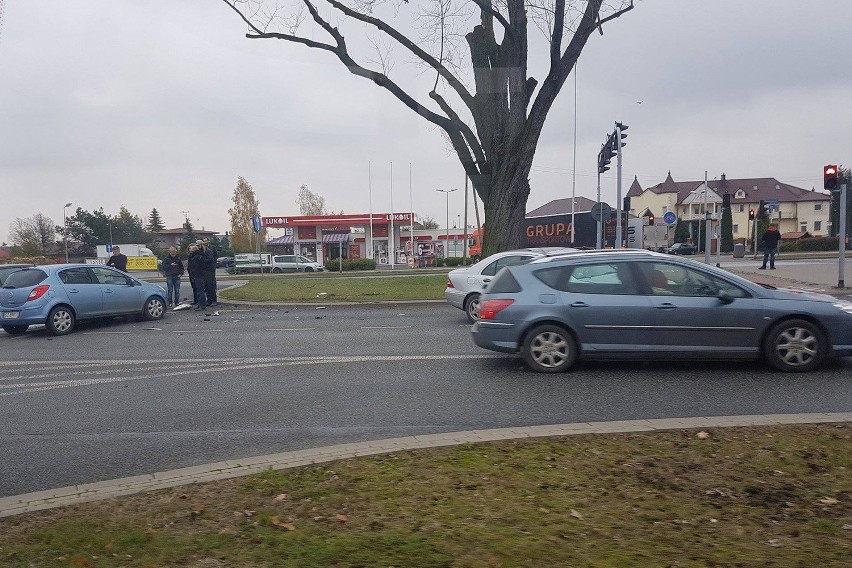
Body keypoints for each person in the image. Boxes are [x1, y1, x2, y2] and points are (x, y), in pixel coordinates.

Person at [188, 243, 208, 311]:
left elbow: (195, 267)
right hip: (201, 275)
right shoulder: (200, 256)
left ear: (193, 250)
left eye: (191, 249)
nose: (190, 250)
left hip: (198, 275)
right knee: (200, 290)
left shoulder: (196, 257)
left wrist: (193, 273)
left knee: (200, 291)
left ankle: (201, 305)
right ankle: (202, 304)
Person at [201, 238, 218, 306]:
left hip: (211, 269)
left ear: (208, 241)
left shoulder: (211, 248)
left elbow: (215, 256)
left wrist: (214, 264)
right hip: (204, 270)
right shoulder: (202, 249)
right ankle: (209, 300)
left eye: (206, 241)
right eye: (203, 241)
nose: (205, 242)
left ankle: (214, 300)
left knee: (211, 285)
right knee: (206, 286)